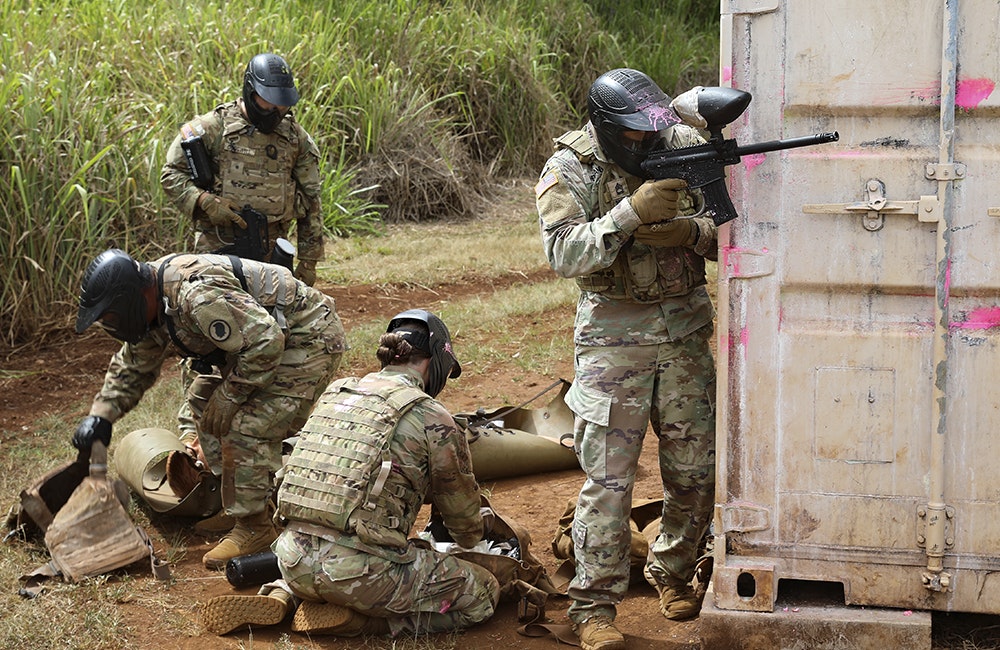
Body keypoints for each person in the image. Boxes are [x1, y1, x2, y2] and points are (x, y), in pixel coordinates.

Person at [534, 68, 717, 650]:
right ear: (608, 129)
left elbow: (733, 225)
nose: (647, 141)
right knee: (608, 481)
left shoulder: (681, 142)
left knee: (694, 472)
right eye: (634, 134)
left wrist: (691, 232)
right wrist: (629, 214)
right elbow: (562, 252)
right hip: (614, 338)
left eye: (652, 129)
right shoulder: (572, 166)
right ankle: (593, 608)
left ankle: (673, 572)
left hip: (685, 331)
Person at [200, 309, 499, 639]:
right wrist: (479, 525)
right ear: (435, 361)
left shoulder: (337, 393)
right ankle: (366, 623)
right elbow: (465, 528)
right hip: (362, 576)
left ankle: (282, 595)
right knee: (483, 593)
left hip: (290, 558)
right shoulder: (431, 415)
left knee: (338, 549)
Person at [71, 249, 346, 569]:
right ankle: (241, 503)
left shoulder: (195, 295)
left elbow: (266, 341)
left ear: (132, 297)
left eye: (112, 317)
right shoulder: (155, 305)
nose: (112, 325)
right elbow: (131, 368)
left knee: (246, 422)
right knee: (204, 398)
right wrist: (100, 417)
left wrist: (232, 394)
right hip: (267, 342)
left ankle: (254, 527)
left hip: (308, 337)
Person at [160, 52, 326, 449]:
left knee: (270, 333)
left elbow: (312, 201)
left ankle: (255, 420)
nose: (277, 110)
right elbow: (170, 175)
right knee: (207, 336)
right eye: (269, 102)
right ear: (250, 92)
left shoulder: (295, 138)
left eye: (283, 103)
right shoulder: (212, 128)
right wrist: (205, 204)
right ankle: (193, 427)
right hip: (218, 248)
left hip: (272, 252)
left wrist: (309, 263)